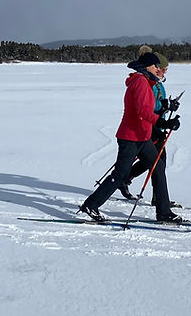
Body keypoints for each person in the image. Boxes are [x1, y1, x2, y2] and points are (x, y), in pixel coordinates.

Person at [79, 49, 184, 224]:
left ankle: (164, 212)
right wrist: (164, 123)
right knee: (120, 175)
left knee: (157, 168)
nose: (157, 68)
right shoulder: (140, 83)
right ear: (147, 66)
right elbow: (143, 112)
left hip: (142, 137)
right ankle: (91, 205)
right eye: (154, 65)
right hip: (131, 138)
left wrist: (165, 106)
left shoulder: (146, 82)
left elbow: (148, 107)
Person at [118, 49, 180, 207]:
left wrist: (168, 106)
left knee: (156, 161)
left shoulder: (156, 83)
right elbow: (146, 109)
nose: (163, 71)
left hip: (155, 124)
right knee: (156, 161)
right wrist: (162, 119)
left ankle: (156, 197)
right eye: (162, 68)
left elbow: (157, 104)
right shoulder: (145, 82)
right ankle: (156, 198)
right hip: (148, 126)